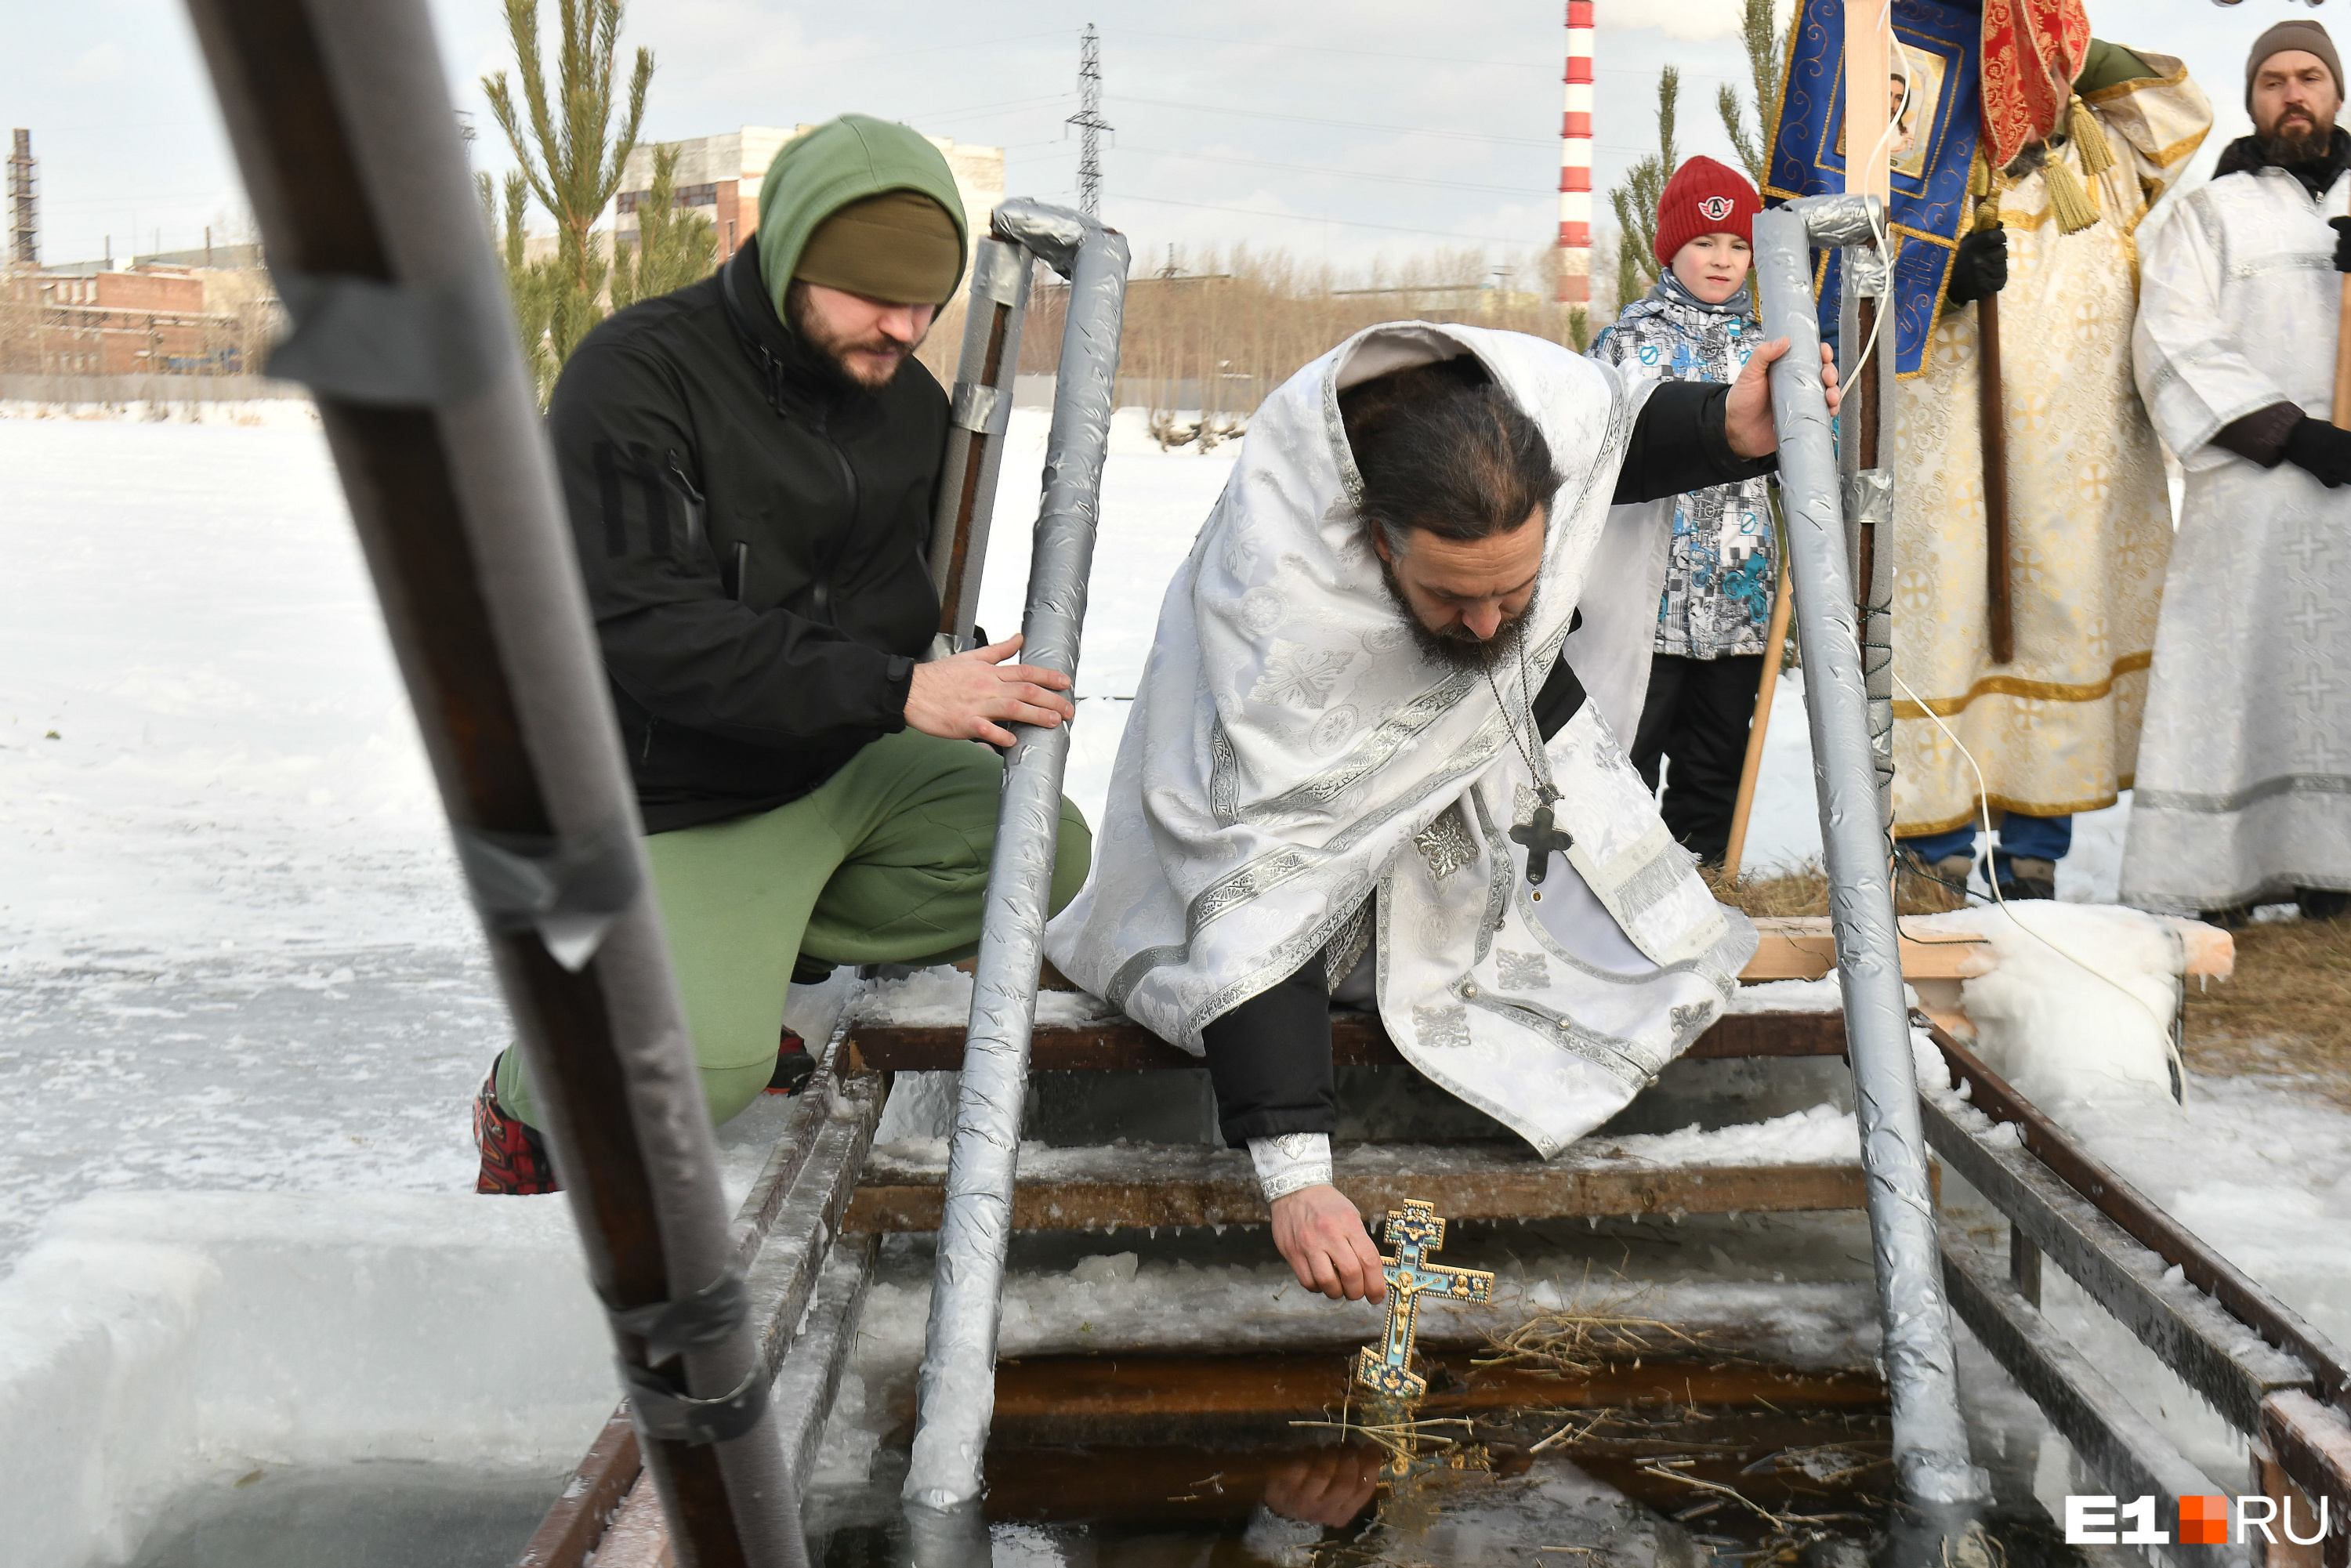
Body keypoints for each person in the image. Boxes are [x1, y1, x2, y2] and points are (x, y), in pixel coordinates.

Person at [1045, 322, 1838, 1304]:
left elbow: (1614, 435)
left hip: (1485, 769)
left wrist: (1726, 424)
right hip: (1271, 844)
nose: (1490, 626)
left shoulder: (1531, 411)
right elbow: (1263, 868)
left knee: (1626, 946)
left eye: (1516, 593)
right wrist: (1295, 1170)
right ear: (1378, 543)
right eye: (1454, 598)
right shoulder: (1278, 618)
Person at [472, 115, 1092, 1193]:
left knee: (1043, 853)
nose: (903, 328)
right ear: (792, 256)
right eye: (873, 297)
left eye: (923, 302)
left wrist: (949, 672)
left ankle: (756, 958)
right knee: (697, 1073)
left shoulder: (903, 404)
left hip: (831, 758)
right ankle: (525, 1090)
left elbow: (888, 600)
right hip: (667, 790)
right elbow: (652, 633)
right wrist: (897, 688)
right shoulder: (638, 379)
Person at [1887, 16, 2211, 901]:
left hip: (2074, 468)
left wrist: (2046, 30)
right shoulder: (1934, 180)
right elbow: (1857, 280)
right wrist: (1944, 281)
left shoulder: (2102, 167)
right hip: (1948, 460)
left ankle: (2035, 849)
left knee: (2060, 623)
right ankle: (1937, 851)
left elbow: (2179, 105)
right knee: (1945, 626)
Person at [2123, 20, 2351, 924]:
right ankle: (2215, 875)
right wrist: (2294, 435)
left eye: (2310, 77)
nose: (2292, 94)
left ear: (2335, 91)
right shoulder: (2205, 214)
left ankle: (2335, 870)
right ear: (2253, 98)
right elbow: (2170, 337)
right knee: (2234, 680)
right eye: (2272, 81)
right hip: (2255, 485)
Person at [1588, 155, 1773, 867]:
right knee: (1626, 756)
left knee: (1715, 758)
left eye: (1736, 246)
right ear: (1672, 248)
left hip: (1739, 598)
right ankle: (1621, 887)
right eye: (1705, 243)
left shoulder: (1767, 344)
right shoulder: (1627, 343)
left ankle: (1707, 882)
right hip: (1647, 603)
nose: (1722, 260)